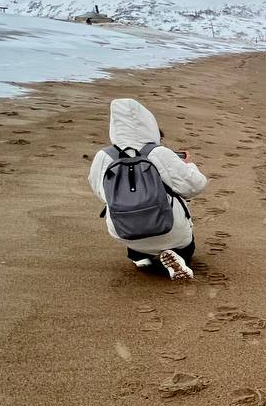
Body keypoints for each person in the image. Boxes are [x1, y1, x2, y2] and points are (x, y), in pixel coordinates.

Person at [87, 98, 207, 280]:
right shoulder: (159, 153)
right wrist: (189, 165)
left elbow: (101, 193)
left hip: (124, 229)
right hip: (169, 229)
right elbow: (195, 186)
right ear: (148, 123)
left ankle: (140, 257)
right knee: (187, 246)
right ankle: (179, 256)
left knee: (134, 231)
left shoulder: (104, 156)